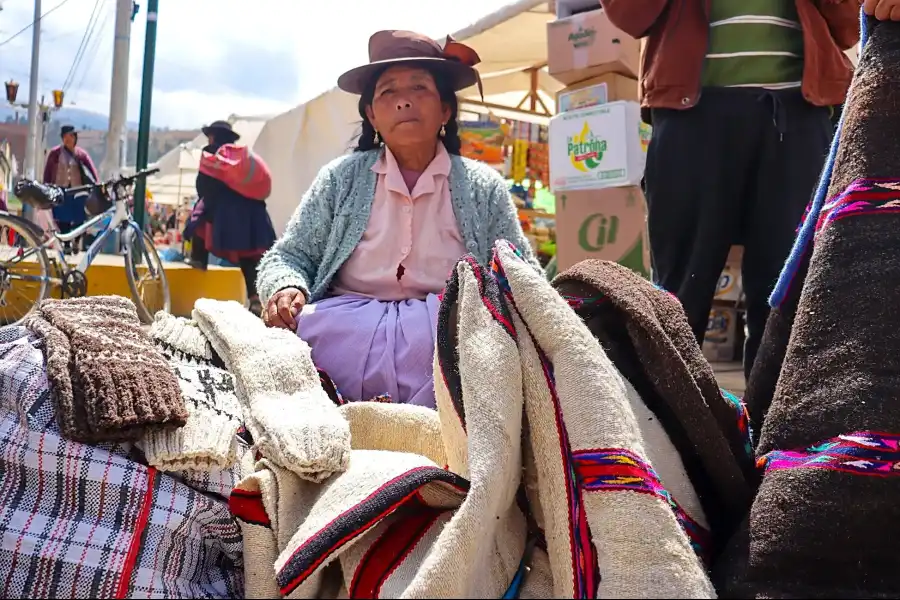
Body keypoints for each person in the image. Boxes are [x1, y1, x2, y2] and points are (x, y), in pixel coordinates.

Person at [257, 30, 541, 409]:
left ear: (445, 109)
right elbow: (288, 256)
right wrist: (285, 288)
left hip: (447, 333)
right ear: (372, 115)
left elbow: (520, 270)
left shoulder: (482, 187)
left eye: (419, 88)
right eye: (388, 92)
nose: (404, 102)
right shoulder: (340, 179)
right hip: (341, 328)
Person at [600, 0, 862, 380]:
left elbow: (848, 24)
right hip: (692, 116)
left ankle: (776, 427)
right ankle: (674, 425)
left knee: (787, 292)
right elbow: (628, 15)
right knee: (680, 291)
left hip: (799, 114)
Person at [184, 120, 276, 316]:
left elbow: (204, 188)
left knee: (196, 221)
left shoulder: (212, 154)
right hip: (254, 214)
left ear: (213, 136)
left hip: (228, 214)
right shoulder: (240, 160)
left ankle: (198, 259)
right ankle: (256, 300)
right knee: (250, 258)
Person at [42, 125, 99, 254]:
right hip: (61, 190)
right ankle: (67, 243)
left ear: (75, 138)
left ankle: (76, 240)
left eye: (71, 136)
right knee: (63, 218)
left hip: (79, 191)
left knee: (80, 218)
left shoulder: (81, 154)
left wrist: (96, 184)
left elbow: (91, 170)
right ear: (62, 138)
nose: (69, 139)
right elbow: (48, 172)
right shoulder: (55, 153)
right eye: (66, 137)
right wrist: (46, 187)